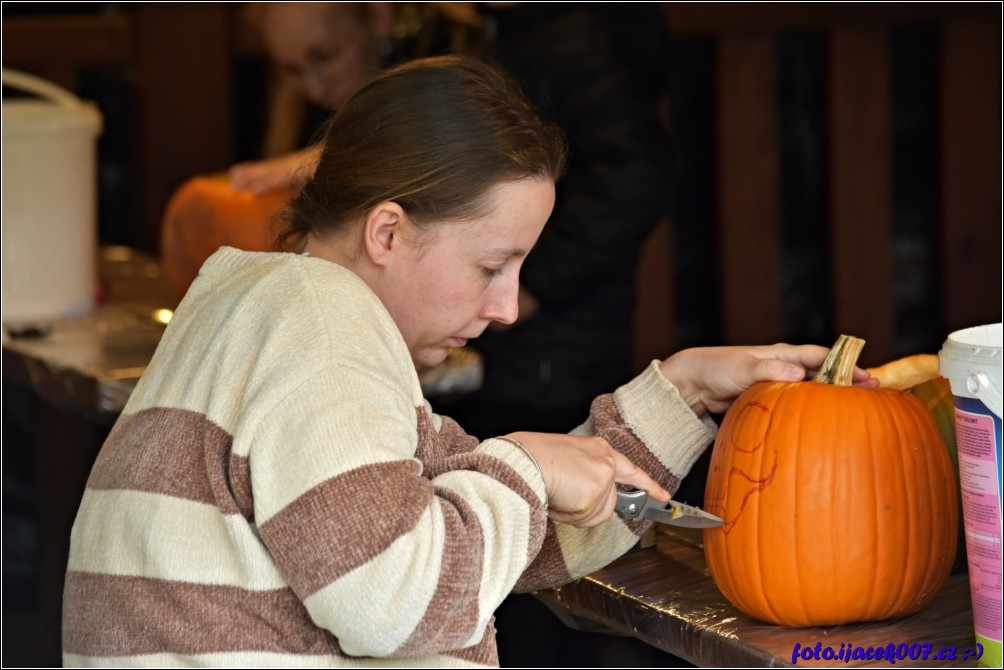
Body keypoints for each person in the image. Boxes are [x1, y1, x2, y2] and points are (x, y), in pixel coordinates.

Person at [63, 55, 873, 667]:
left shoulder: (272, 318)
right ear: (387, 232)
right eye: (492, 266)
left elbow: (491, 547)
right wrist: (524, 465)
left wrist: (685, 392)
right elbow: (392, 600)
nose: (507, 307)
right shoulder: (321, 333)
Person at [230, 2, 483, 195]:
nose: (315, 90)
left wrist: (333, 159)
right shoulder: (299, 108)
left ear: (378, 16)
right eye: (293, 70)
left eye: (326, 55)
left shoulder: (447, 70)